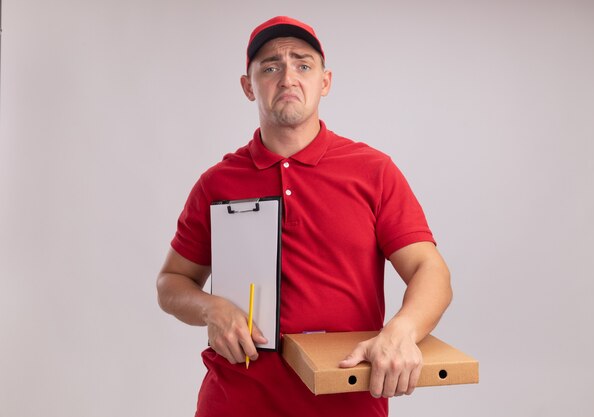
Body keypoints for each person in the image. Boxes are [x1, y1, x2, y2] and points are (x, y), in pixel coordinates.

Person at [157, 15, 452, 417]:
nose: (287, 78)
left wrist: (401, 331)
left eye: (303, 64)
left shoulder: (373, 171)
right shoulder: (216, 183)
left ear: (324, 81)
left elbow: (429, 269)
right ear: (248, 86)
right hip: (235, 403)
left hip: (349, 403)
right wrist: (212, 308)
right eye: (270, 67)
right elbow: (171, 282)